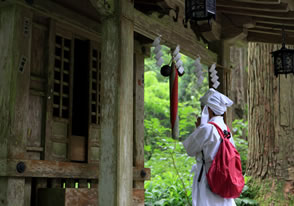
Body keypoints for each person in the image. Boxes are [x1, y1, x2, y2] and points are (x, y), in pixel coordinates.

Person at [182, 88, 236, 206]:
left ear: (209, 109)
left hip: (208, 180)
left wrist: (198, 129)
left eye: (203, 107)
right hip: (224, 178)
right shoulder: (226, 129)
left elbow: (190, 149)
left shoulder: (208, 128)